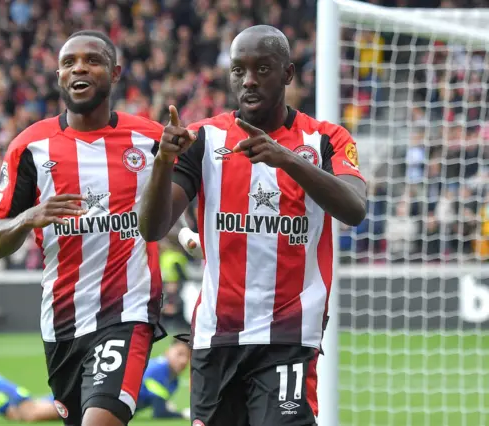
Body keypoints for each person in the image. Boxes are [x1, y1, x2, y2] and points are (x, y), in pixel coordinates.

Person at [139, 25, 367, 426]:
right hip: (216, 337)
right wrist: (161, 165)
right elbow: (153, 228)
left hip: (287, 337)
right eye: (238, 70)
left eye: (262, 68)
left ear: (288, 74)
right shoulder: (205, 140)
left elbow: (354, 209)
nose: (248, 80)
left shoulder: (325, 139)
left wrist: (288, 159)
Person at [0, 30, 166, 426]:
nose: (79, 67)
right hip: (62, 321)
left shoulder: (151, 140)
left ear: (115, 73)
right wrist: (28, 217)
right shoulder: (29, 147)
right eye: (69, 62)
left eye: (92, 60)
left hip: (128, 310)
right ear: (59, 76)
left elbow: (182, 198)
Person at [0, 340, 191, 422]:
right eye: (178, 353)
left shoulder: (173, 382)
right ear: (168, 351)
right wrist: (183, 414)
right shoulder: (158, 370)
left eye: (185, 358)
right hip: (87, 400)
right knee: (28, 412)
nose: (181, 361)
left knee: (17, 413)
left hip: (93, 404)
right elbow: (158, 410)